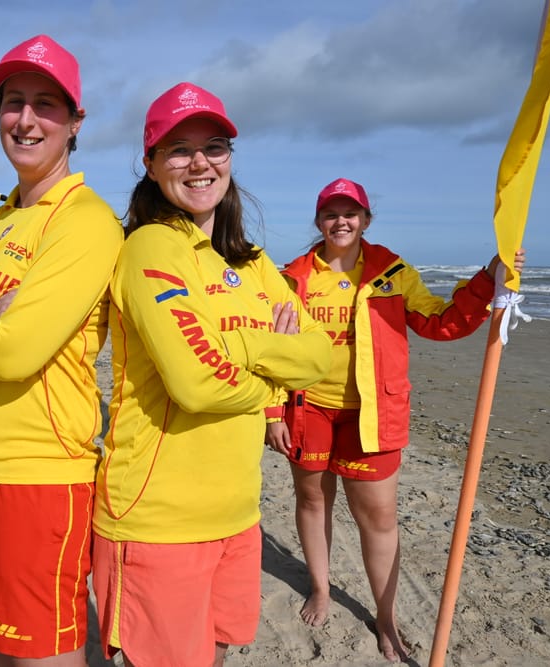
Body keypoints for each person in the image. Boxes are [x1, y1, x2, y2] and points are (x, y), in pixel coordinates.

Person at [91, 82, 332, 667]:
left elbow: (322, 357)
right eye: (179, 149)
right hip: (158, 515)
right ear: (151, 164)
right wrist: (272, 367)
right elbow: (196, 386)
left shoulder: (251, 261)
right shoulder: (150, 248)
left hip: (238, 511)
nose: (200, 162)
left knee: (217, 651)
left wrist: (236, 351)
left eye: (214, 147)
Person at [266, 177, 526, 661]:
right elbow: (274, 347)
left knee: (379, 519)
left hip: (373, 414)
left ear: (365, 220)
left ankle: (385, 617)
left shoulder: (392, 273)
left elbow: (440, 322)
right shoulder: (292, 277)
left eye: (350, 213)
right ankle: (320, 588)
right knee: (312, 500)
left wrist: (488, 278)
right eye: (331, 214)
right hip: (308, 409)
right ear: (319, 221)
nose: (341, 222)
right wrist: (272, 411)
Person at [0, 35, 122, 665]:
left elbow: (10, 354)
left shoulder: (85, 220)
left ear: (75, 122)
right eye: (13, 103)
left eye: (46, 105)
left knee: (41, 652)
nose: (27, 120)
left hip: (41, 473)